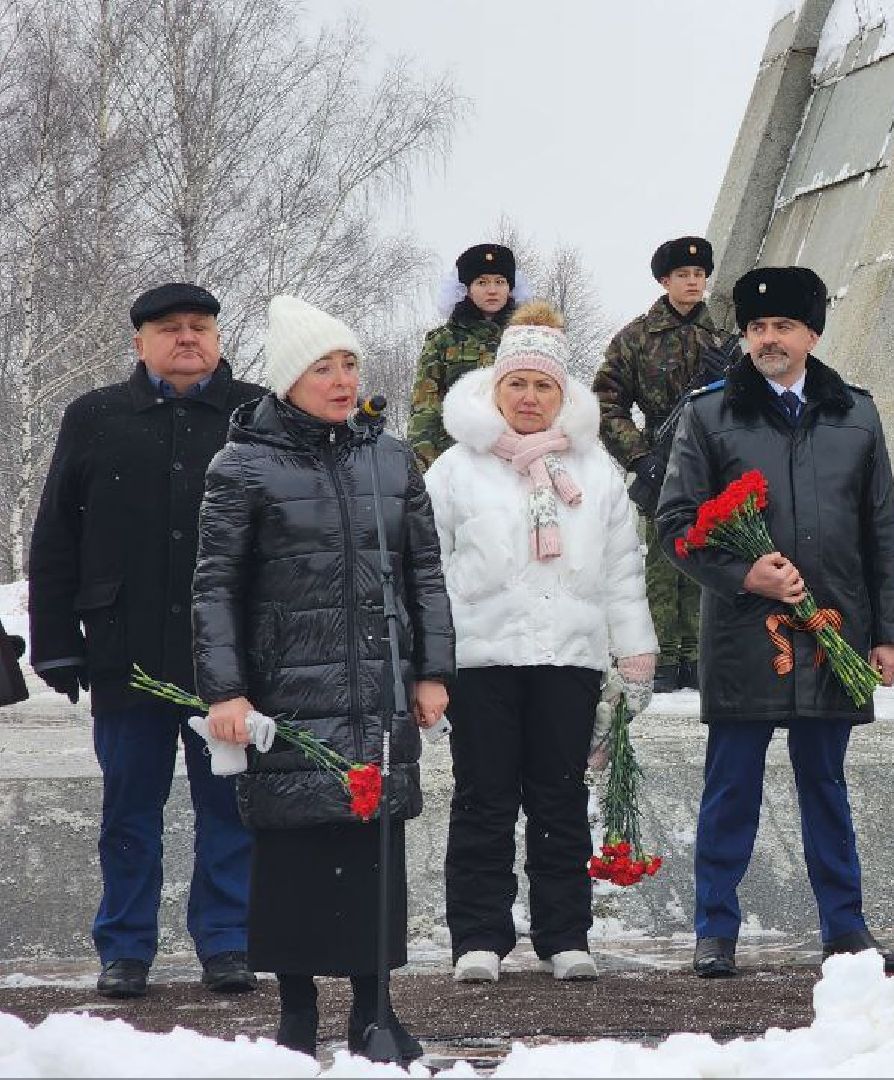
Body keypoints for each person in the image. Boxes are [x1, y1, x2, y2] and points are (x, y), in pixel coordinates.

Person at [193, 295, 455, 1060]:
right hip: (286, 691)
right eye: (322, 368)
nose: (341, 381)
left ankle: (375, 1012)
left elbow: (425, 574)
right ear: (286, 381)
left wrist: (432, 670)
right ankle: (297, 1014)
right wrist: (225, 689)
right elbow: (214, 587)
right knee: (295, 851)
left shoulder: (389, 457)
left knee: (375, 848)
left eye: (349, 365)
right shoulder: (242, 463)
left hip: (378, 686)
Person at [657, 265, 894, 979]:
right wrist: (745, 574)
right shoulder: (708, 415)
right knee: (730, 787)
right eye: (757, 327)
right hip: (746, 638)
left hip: (834, 632)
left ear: (812, 334)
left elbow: (882, 531)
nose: (769, 339)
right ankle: (715, 929)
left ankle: (845, 926)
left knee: (825, 786)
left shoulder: (855, 413)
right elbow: (676, 525)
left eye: (783, 326)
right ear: (744, 335)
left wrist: (889, 634)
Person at [27, 283, 267, 999]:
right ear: (140, 342)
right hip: (123, 651)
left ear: (219, 339)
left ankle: (227, 942)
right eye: (169, 328)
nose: (187, 338)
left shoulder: (254, 415)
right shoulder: (95, 416)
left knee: (229, 809)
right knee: (129, 811)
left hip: (227, 660)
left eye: (200, 327)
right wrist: (57, 642)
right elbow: (55, 535)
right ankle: (125, 948)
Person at [424, 301, 659, 985]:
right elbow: (426, 572)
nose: (529, 399)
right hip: (482, 662)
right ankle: (478, 935)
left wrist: (634, 653)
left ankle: (565, 934)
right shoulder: (454, 471)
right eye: (517, 385)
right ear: (496, 389)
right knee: (483, 799)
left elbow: (622, 568)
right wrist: (427, 663)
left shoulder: (595, 471)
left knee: (559, 800)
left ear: (564, 395)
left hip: (569, 658)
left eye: (544, 386)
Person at [594, 236, 733, 694]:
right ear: (664, 280)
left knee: (708, 550)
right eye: (682, 275)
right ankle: (664, 658)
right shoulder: (636, 338)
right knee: (662, 556)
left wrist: (727, 379)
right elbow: (605, 403)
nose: (693, 282)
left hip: (714, 460)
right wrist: (638, 455)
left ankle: (699, 653)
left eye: (698, 275)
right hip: (660, 456)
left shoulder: (726, 339)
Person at [410, 242, 520, 472]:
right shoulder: (442, 340)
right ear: (466, 289)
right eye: (482, 282)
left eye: (500, 282)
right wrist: (423, 465)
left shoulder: (526, 336)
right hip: (458, 458)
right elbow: (426, 406)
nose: (492, 290)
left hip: (517, 458)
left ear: (510, 288)